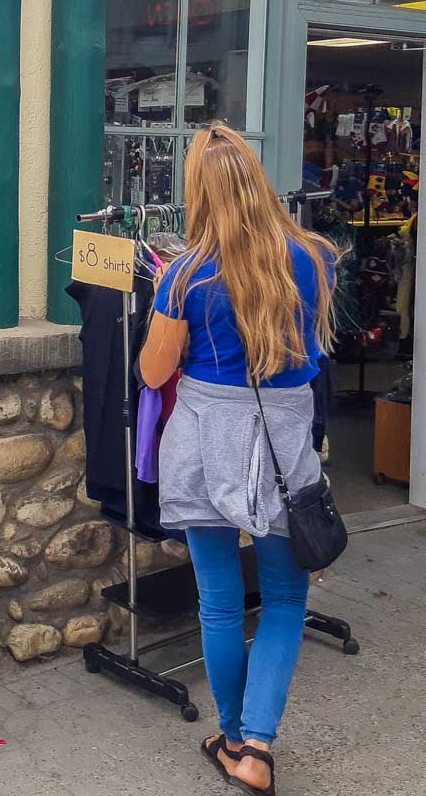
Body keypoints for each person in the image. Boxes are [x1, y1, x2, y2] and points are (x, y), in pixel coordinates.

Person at [139, 124, 337, 796]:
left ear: (198, 192)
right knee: (284, 597)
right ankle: (257, 745)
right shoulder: (312, 257)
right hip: (284, 436)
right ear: (257, 180)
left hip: (204, 437)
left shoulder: (186, 273)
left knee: (220, 603)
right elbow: (313, 350)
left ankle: (231, 737)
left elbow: (152, 371)